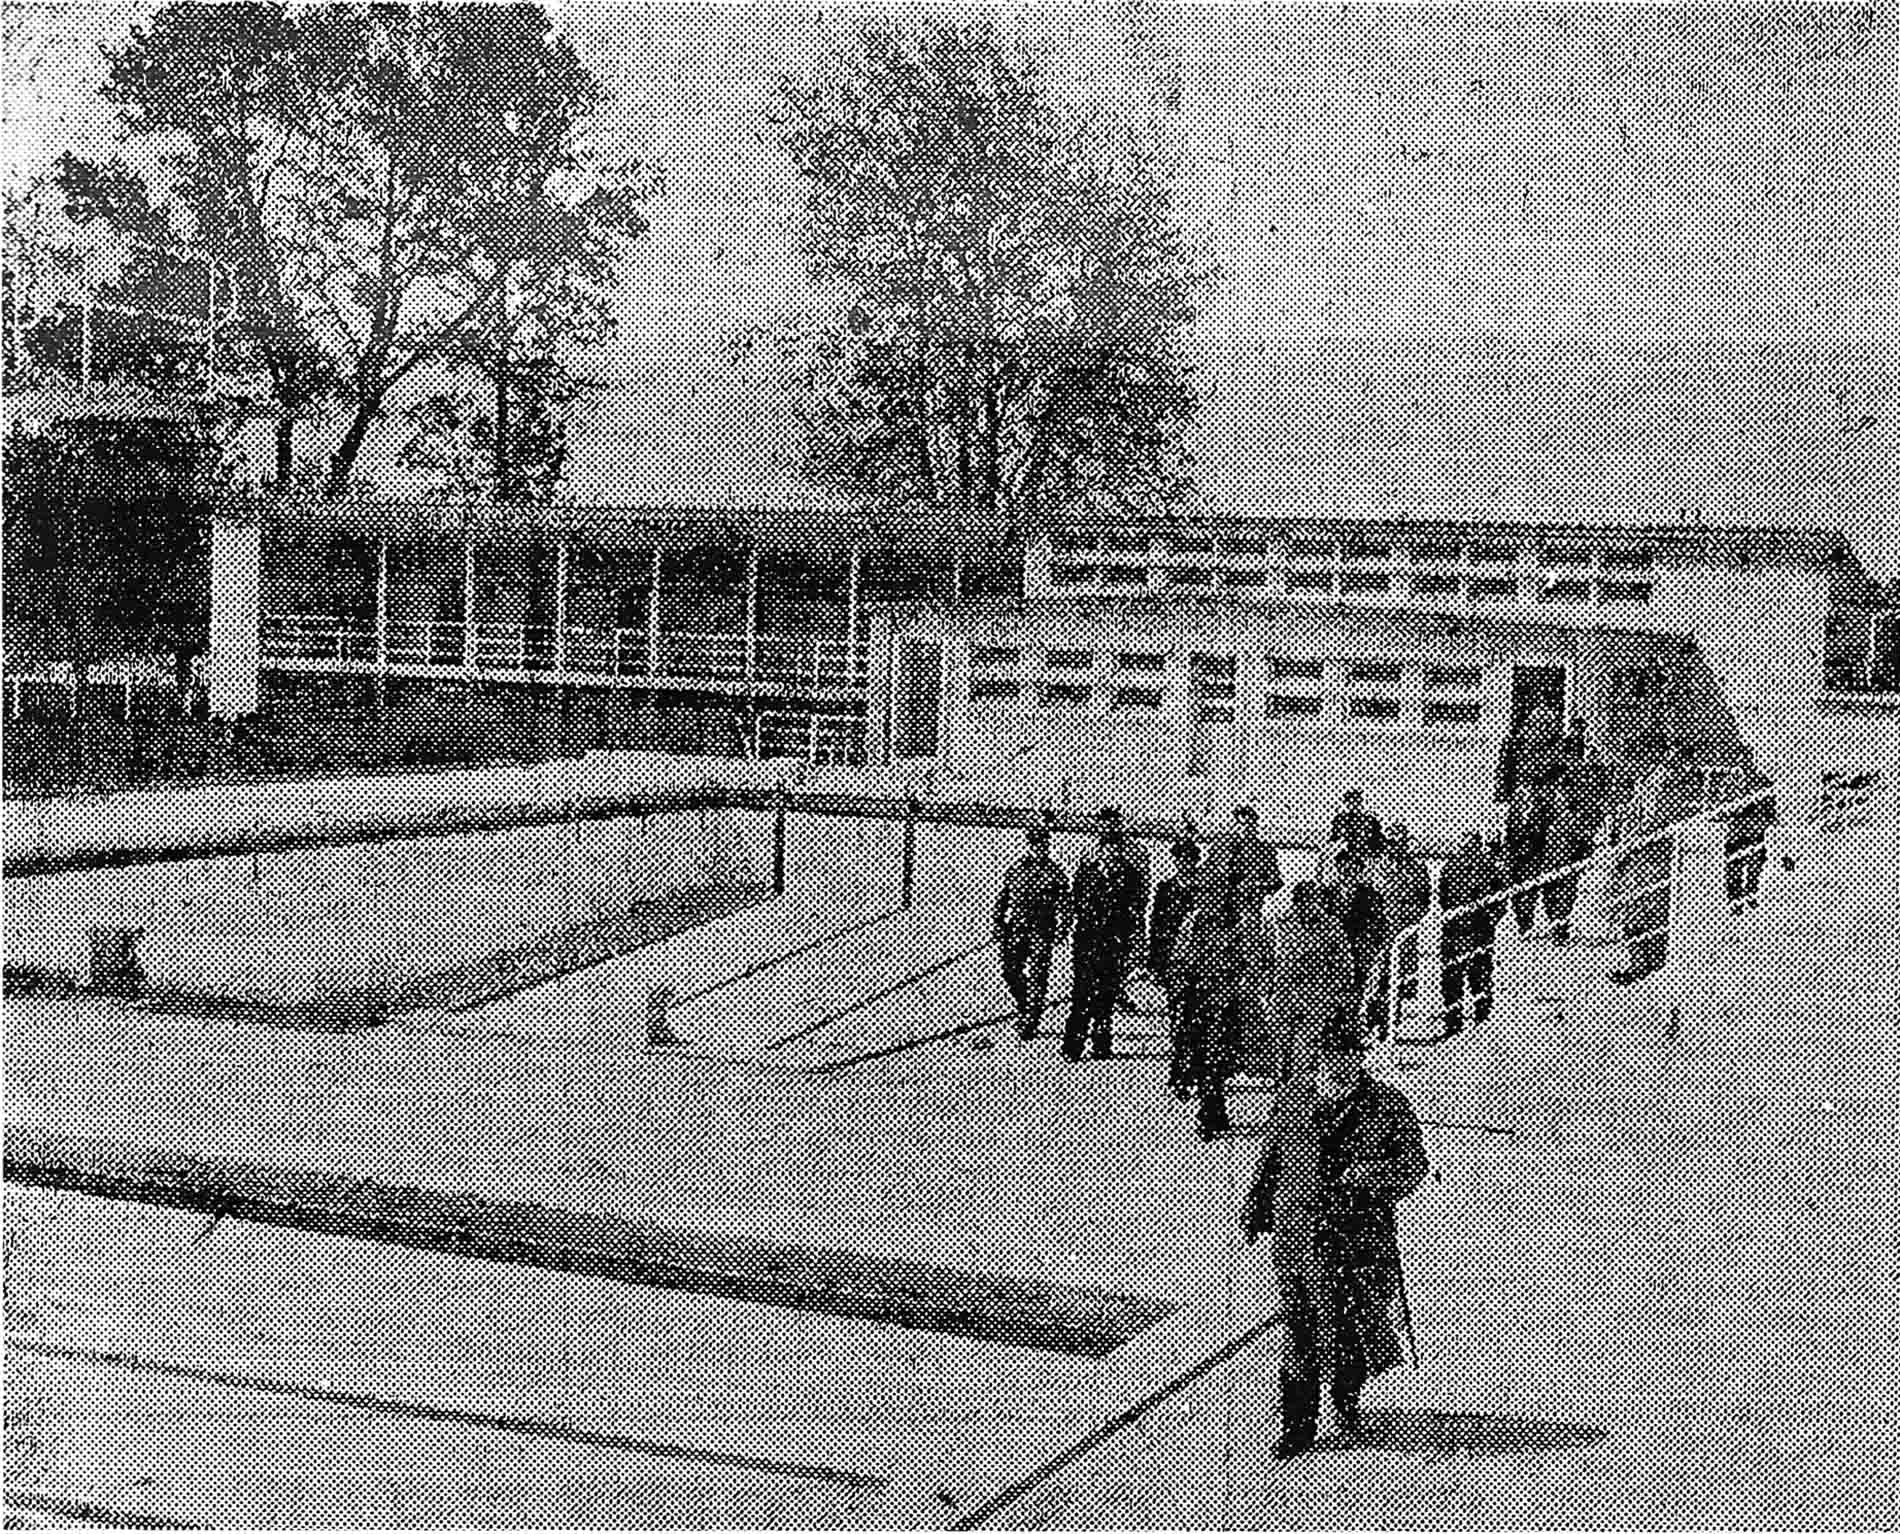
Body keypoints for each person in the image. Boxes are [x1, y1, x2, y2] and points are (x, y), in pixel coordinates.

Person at [1241, 1010, 1429, 1459]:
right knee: (1299, 1330)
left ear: (1361, 1056)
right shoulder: (1291, 1101)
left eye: (1349, 1054)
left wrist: (1375, 1174)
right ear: (1317, 1057)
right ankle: (1298, 1427)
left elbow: (1415, 1167)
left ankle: (1347, 1408)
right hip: (1298, 1235)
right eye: (1329, 1055)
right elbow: (1271, 1162)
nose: (1338, 1063)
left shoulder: (1387, 1104)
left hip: (1358, 1237)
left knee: (1350, 1326)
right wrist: (1255, 1206)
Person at [1062, 807, 1145, 1062]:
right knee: (1082, 993)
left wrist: (1135, 942)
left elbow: (1137, 909)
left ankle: (1101, 1042)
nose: (1111, 855)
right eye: (1106, 851)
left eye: (1115, 852)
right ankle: (1073, 1045)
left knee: (1107, 993)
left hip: (1114, 942)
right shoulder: (1086, 872)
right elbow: (1073, 901)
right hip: (1088, 941)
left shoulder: (1131, 874)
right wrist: (1069, 925)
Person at [1261, 881, 1356, 1081]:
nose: (1310, 907)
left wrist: (1336, 995)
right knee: (1282, 1043)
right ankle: (1283, 1085)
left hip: (1316, 995)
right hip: (1283, 993)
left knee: (1306, 1044)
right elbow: (1267, 961)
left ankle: (1301, 1086)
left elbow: (1345, 966)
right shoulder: (1280, 924)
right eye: (1304, 902)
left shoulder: (1332, 927)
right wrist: (1266, 991)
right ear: (1296, 903)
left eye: (1314, 901)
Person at [991, 823, 1071, 1040]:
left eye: (1043, 844)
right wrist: (998, 923)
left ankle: (1030, 1021)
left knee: (1038, 976)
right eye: (1035, 844)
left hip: (1041, 931)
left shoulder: (1055, 874)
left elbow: (1066, 904)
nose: (1039, 848)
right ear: (1029, 844)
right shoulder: (1016, 869)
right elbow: (1003, 898)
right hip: (1015, 929)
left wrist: (1062, 928)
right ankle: (1026, 1005)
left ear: (1048, 845)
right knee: (1010, 971)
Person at [1505, 770, 1588, 942]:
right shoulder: (1523, 802)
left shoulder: (1567, 802)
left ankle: (1558, 925)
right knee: (1525, 888)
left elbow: (1579, 833)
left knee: (1560, 890)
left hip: (1559, 856)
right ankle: (1525, 924)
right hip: (1528, 855)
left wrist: (1582, 853)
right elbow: (1513, 833)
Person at [1438, 828, 1504, 1031]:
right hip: (1455, 930)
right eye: (1465, 843)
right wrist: (1451, 917)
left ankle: (1482, 1016)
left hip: (1480, 930)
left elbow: (1500, 898)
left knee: (1480, 974)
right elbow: (1443, 895)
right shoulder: (1450, 867)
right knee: (1452, 976)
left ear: (1478, 845)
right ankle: (1452, 1019)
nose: (1468, 848)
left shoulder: (1490, 868)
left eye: (1472, 843)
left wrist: (1491, 919)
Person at [1150, 838, 1202, 1094]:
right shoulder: (1165, 889)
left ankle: (1189, 1070)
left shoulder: (1206, 890)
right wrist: (1156, 964)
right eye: (1179, 859)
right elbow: (1157, 927)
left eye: (1188, 859)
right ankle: (1180, 1073)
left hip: (1202, 966)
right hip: (1176, 964)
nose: (1184, 864)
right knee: (1180, 1020)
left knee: (1197, 1019)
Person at [1201, 805, 1284, 927]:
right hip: (1221, 908)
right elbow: (1206, 873)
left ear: (1255, 827)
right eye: (1240, 824)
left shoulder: (1264, 852)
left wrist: (1256, 886)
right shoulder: (1220, 847)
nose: (1245, 829)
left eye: (1249, 825)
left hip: (1249, 909)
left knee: (1248, 940)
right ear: (1234, 825)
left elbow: (1276, 882)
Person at [1376, 823, 1432, 1002]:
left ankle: (1397, 1010)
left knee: (1402, 972)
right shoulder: (1377, 867)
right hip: (1381, 926)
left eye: (1400, 842)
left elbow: (1425, 899)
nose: (1395, 846)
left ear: (1406, 844)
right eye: (1392, 842)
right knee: (1380, 974)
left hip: (1405, 927)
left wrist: (1410, 916)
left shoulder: (1418, 869)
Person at [1327, 848, 1389, 1004]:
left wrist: (1370, 948)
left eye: (1352, 869)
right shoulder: (1327, 894)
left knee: (1357, 991)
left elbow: (1379, 926)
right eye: (1344, 868)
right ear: (1338, 869)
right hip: (1332, 952)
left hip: (1359, 951)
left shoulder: (1370, 896)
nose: (1348, 873)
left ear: (1359, 871)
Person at [1328, 789, 1381, 861]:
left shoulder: (1368, 819)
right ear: (1346, 804)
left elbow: (1377, 838)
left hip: (1365, 853)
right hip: (1346, 853)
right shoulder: (1341, 820)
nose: (1354, 805)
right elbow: (1334, 838)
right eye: (1350, 802)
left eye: (1357, 802)